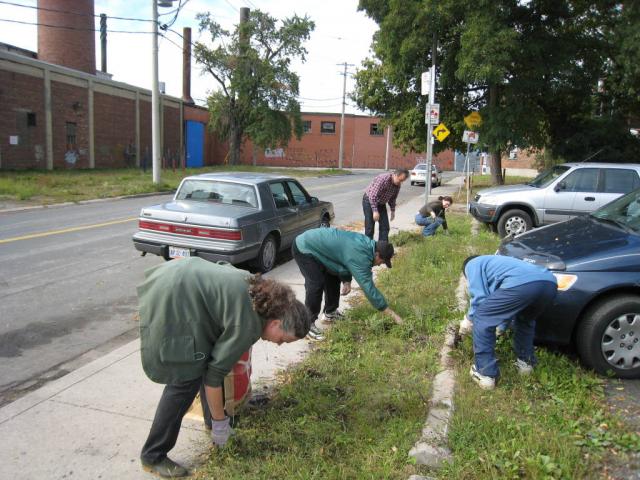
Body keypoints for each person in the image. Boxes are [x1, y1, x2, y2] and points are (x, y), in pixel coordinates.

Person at [138, 257, 311, 478]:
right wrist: (222, 423)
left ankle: (212, 423)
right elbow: (214, 377)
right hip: (174, 295)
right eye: (283, 340)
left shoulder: (265, 295)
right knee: (185, 379)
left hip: (182, 277)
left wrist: (218, 420)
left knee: (207, 362)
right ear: (276, 323)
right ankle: (153, 456)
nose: (278, 344)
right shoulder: (249, 324)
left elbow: (224, 268)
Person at [463, 255, 557, 390]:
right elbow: (505, 305)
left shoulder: (471, 265)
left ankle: (485, 374)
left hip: (523, 283)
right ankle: (526, 363)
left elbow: (480, 299)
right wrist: (501, 326)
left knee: (482, 317)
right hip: (549, 283)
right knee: (525, 320)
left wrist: (468, 320)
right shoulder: (495, 264)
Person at [292, 227, 403, 340]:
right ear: (377, 255)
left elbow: (343, 260)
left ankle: (330, 313)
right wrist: (391, 314)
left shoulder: (367, 245)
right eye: (382, 262)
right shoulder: (361, 255)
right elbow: (368, 288)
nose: (380, 265)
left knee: (333, 276)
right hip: (304, 247)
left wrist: (346, 281)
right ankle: (306, 325)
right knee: (316, 283)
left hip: (320, 249)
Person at [363, 168, 409, 241]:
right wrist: (375, 211)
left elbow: (393, 199)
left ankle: (382, 248)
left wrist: (393, 211)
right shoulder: (383, 179)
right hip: (369, 201)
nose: (400, 183)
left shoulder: (397, 185)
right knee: (370, 227)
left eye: (402, 181)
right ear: (395, 175)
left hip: (381, 204)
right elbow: (373, 195)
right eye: (400, 180)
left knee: (385, 227)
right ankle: (368, 248)